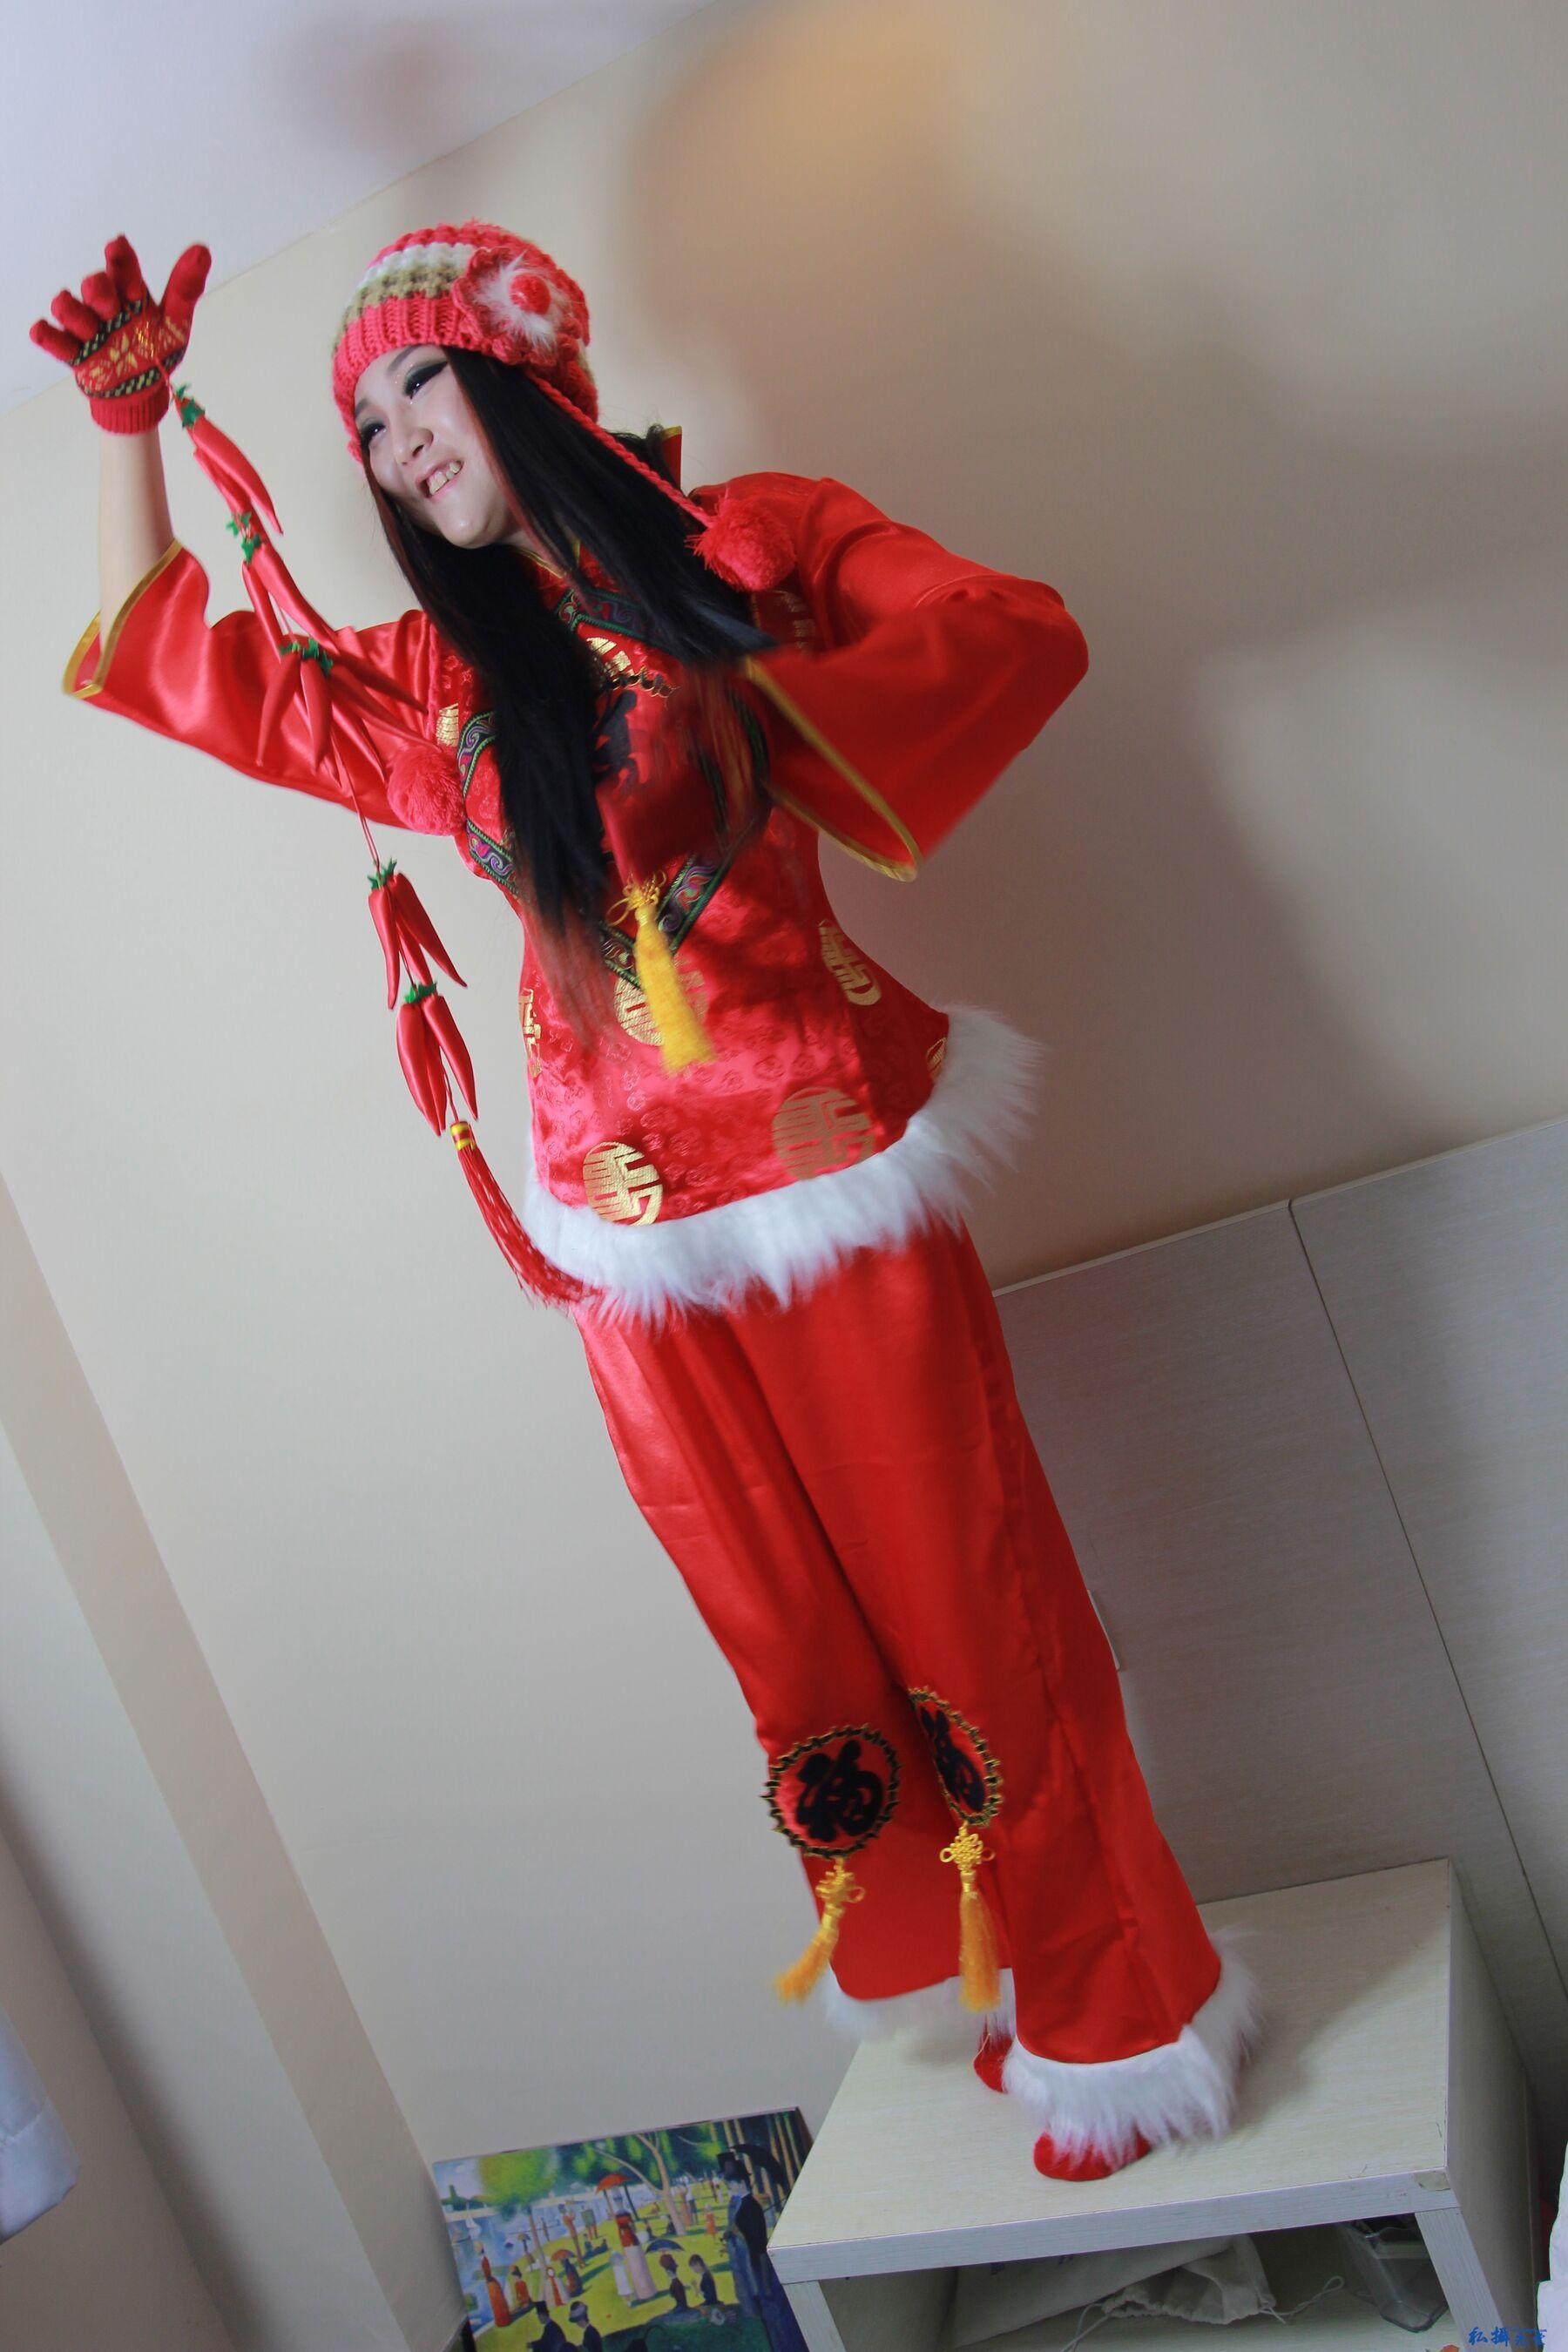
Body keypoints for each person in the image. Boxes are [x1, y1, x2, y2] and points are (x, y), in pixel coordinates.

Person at [37, 222, 1267, 2180]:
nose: (396, 443)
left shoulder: (747, 545)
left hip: (827, 1177)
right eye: (365, 429)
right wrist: (126, 426)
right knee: (789, 1641)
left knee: (977, 1604)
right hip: (625, 1243)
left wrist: (766, 697)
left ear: (525, 376)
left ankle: (1120, 2011)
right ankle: (964, 1964)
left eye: (421, 385)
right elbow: (177, 665)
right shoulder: (437, 680)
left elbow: (1005, 626)